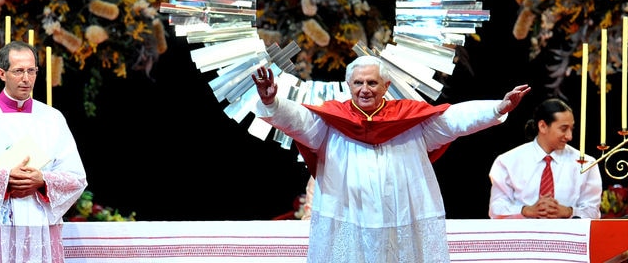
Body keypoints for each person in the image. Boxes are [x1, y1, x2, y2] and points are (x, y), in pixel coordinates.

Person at [251, 55, 531, 262]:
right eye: (358, 82)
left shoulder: (410, 118)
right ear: (349, 85)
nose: (365, 89)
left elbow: (454, 120)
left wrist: (497, 108)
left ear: (386, 86)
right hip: (347, 216)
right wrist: (271, 102)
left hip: (401, 218)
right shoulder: (331, 120)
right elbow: (297, 120)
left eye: (372, 82)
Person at [0, 41, 88, 263]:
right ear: (2, 73)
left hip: (39, 226)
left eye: (32, 71)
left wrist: (42, 180)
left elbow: (76, 177)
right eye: (19, 71)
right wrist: (5, 179)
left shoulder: (52, 118)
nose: (26, 78)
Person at [488, 98, 603, 219]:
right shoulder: (508, 161)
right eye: (563, 129)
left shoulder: (587, 163)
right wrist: (526, 210)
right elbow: (496, 209)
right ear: (542, 126)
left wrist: (568, 212)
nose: (569, 136)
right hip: (522, 235)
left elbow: (593, 213)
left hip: (568, 236)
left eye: (571, 129)